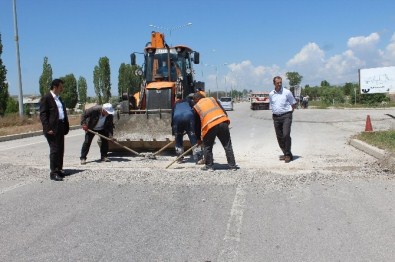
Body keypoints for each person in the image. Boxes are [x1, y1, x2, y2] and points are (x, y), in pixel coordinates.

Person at [192, 93, 237, 171]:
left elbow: (197, 125)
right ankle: (232, 166)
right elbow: (224, 113)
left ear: (196, 99)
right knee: (227, 145)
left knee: (208, 147)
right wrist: (225, 124)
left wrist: (198, 138)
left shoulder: (197, 106)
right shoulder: (212, 99)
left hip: (210, 125)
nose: (194, 102)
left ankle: (209, 166)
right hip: (222, 121)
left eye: (194, 101)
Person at [39, 79, 70, 181]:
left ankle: (59, 169)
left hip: (60, 126)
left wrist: (65, 125)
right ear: (55, 87)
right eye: (61, 87)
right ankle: (53, 172)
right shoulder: (46, 98)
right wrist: (47, 128)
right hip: (52, 128)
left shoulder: (59, 98)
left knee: (60, 149)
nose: (62, 89)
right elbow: (43, 115)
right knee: (54, 149)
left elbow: (62, 112)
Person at [269, 76, 297, 163]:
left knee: (286, 135)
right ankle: (286, 153)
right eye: (278, 83)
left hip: (286, 116)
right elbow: (272, 105)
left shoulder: (287, 92)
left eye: (281, 82)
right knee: (279, 137)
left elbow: (293, 104)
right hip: (276, 117)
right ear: (274, 83)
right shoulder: (271, 94)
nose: (279, 84)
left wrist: (289, 114)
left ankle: (287, 155)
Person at [171, 93, 201, 163]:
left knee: (178, 138)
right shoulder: (189, 102)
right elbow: (195, 113)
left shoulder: (175, 104)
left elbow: (172, 118)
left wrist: (175, 133)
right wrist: (197, 133)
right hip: (189, 117)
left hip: (177, 118)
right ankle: (198, 158)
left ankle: (179, 158)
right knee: (192, 136)